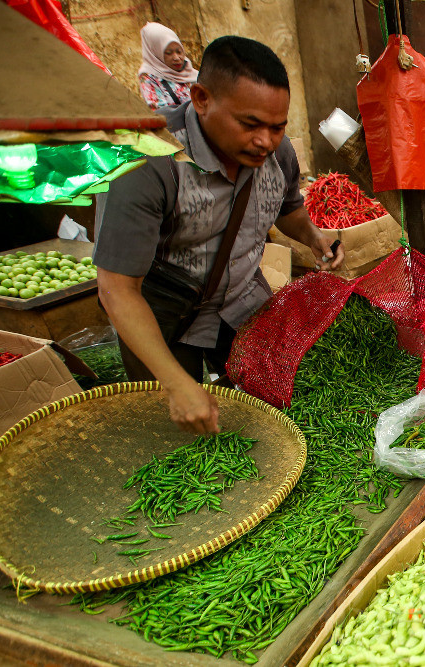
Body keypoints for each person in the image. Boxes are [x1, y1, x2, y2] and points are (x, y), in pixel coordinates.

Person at [95, 36, 344, 435]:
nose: (265, 140)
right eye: (250, 124)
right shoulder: (148, 161)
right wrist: (177, 384)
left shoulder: (276, 153)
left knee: (270, 415)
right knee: (178, 433)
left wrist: (313, 236)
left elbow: (287, 208)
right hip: (165, 318)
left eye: (277, 127)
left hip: (243, 303)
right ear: (201, 98)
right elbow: (117, 288)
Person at [138, 22, 199, 110]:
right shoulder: (149, 77)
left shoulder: (189, 71)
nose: (177, 58)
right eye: (168, 53)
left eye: (179, 51)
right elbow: (160, 112)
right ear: (156, 53)